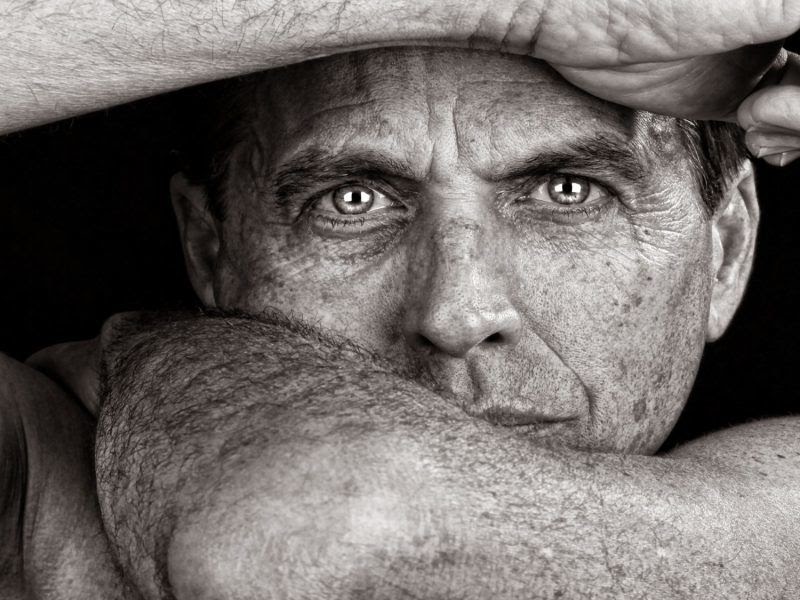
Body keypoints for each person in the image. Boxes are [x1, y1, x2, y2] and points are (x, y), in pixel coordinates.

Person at [1, 1, 799, 598]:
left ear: (725, 250)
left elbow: (334, 522)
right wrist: (516, 10)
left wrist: (163, 356)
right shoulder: (35, 483)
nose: (456, 313)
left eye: (567, 191)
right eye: (352, 201)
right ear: (209, 248)